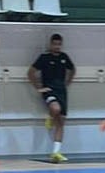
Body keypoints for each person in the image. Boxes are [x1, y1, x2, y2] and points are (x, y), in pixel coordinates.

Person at [28, 33, 75, 163]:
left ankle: (56, 152)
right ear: (50, 44)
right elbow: (31, 72)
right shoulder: (44, 57)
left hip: (62, 91)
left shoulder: (64, 57)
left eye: (59, 44)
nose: (57, 46)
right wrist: (38, 87)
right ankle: (50, 117)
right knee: (55, 109)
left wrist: (67, 82)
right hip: (49, 91)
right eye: (55, 44)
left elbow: (72, 70)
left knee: (61, 121)